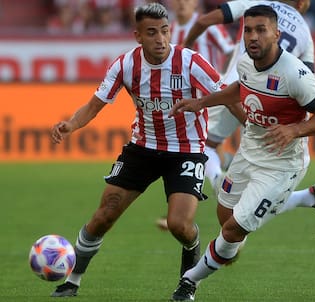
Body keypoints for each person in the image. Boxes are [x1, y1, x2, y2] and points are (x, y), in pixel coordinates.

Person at [49, 2, 225, 297]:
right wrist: (71, 125)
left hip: (187, 150)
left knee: (179, 225)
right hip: (142, 148)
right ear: (138, 36)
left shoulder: (191, 62)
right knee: (104, 214)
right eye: (152, 33)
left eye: (165, 31)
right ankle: (72, 280)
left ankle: (188, 280)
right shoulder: (125, 65)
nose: (160, 39)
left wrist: (251, 123)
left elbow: (227, 94)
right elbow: (95, 105)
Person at [168, 5, 315, 301]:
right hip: (249, 152)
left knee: (234, 229)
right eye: (248, 30)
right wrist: (202, 103)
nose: (253, 36)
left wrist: (294, 130)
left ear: (276, 33)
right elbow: (241, 89)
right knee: (225, 216)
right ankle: (310, 197)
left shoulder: (294, 74)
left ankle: (189, 281)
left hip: (282, 164)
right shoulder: (246, 61)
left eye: (261, 30)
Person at [178, 0, 315, 222]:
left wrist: (185, 47)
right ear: (302, 3)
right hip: (271, 104)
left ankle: (219, 187)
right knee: (262, 179)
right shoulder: (305, 32)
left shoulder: (256, 5)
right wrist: (294, 127)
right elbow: (307, 82)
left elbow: (204, 20)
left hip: (236, 90)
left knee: (203, 147)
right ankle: (306, 198)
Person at [155, 0, 236, 231]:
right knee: (195, 150)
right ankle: (221, 172)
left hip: (211, 96)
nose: (181, 4)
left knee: (197, 149)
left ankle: (219, 180)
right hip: (187, 100)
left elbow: (232, 52)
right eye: (177, 0)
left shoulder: (208, 27)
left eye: (186, 0)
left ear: (195, 5)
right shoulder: (169, 29)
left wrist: (222, 82)